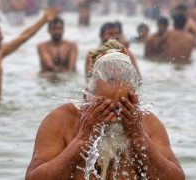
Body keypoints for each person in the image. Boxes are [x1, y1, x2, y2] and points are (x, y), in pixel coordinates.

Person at [25, 40, 185, 180]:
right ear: (87, 96)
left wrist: (138, 137)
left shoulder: (147, 123)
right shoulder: (60, 121)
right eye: (105, 106)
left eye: (122, 106)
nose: (114, 117)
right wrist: (81, 140)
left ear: (134, 100)